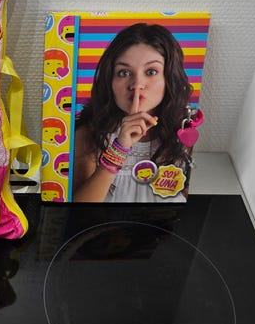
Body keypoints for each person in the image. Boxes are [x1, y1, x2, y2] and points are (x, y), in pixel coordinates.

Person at [72, 23, 196, 203]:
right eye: (124, 73)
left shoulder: (186, 133)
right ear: (109, 80)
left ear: (169, 77)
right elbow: (78, 212)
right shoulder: (88, 134)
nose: (137, 84)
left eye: (151, 71)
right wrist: (119, 149)